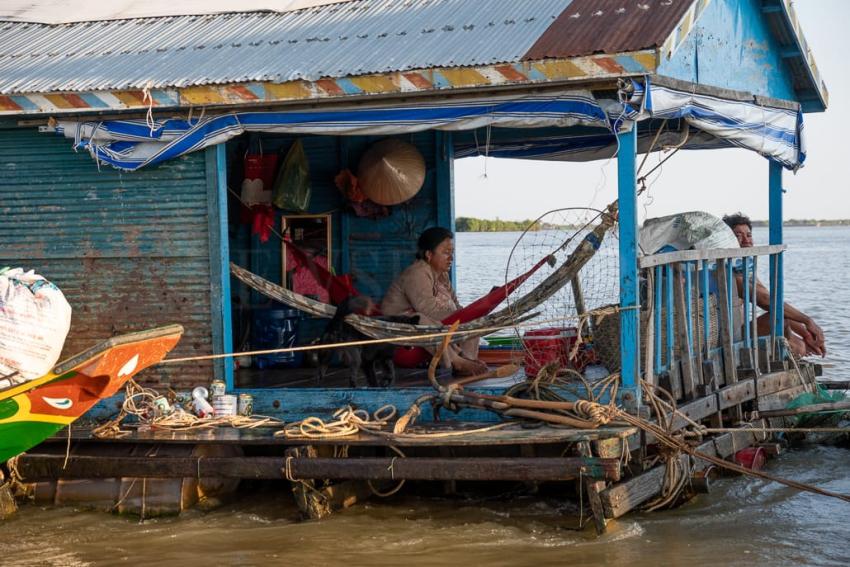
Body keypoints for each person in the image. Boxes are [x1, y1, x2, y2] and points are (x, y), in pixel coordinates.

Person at [381, 227, 488, 376]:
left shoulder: (443, 276)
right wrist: (461, 316)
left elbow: (457, 307)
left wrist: (471, 314)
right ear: (429, 254)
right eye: (445, 253)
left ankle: (467, 360)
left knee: (472, 320)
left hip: (431, 340)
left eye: (452, 253)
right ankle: (457, 361)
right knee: (420, 318)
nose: (451, 258)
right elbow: (429, 311)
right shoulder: (416, 273)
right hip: (402, 342)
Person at [723, 213, 826, 358]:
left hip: (739, 332)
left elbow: (773, 302)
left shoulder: (743, 269)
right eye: (738, 236)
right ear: (726, 241)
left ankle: (795, 349)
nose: (746, 241)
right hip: (727, 340)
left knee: (797, 339)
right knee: (794, 340)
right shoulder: (726, 271)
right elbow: (765, 300)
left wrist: (806, 333)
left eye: (749, 235)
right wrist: (808, 321)